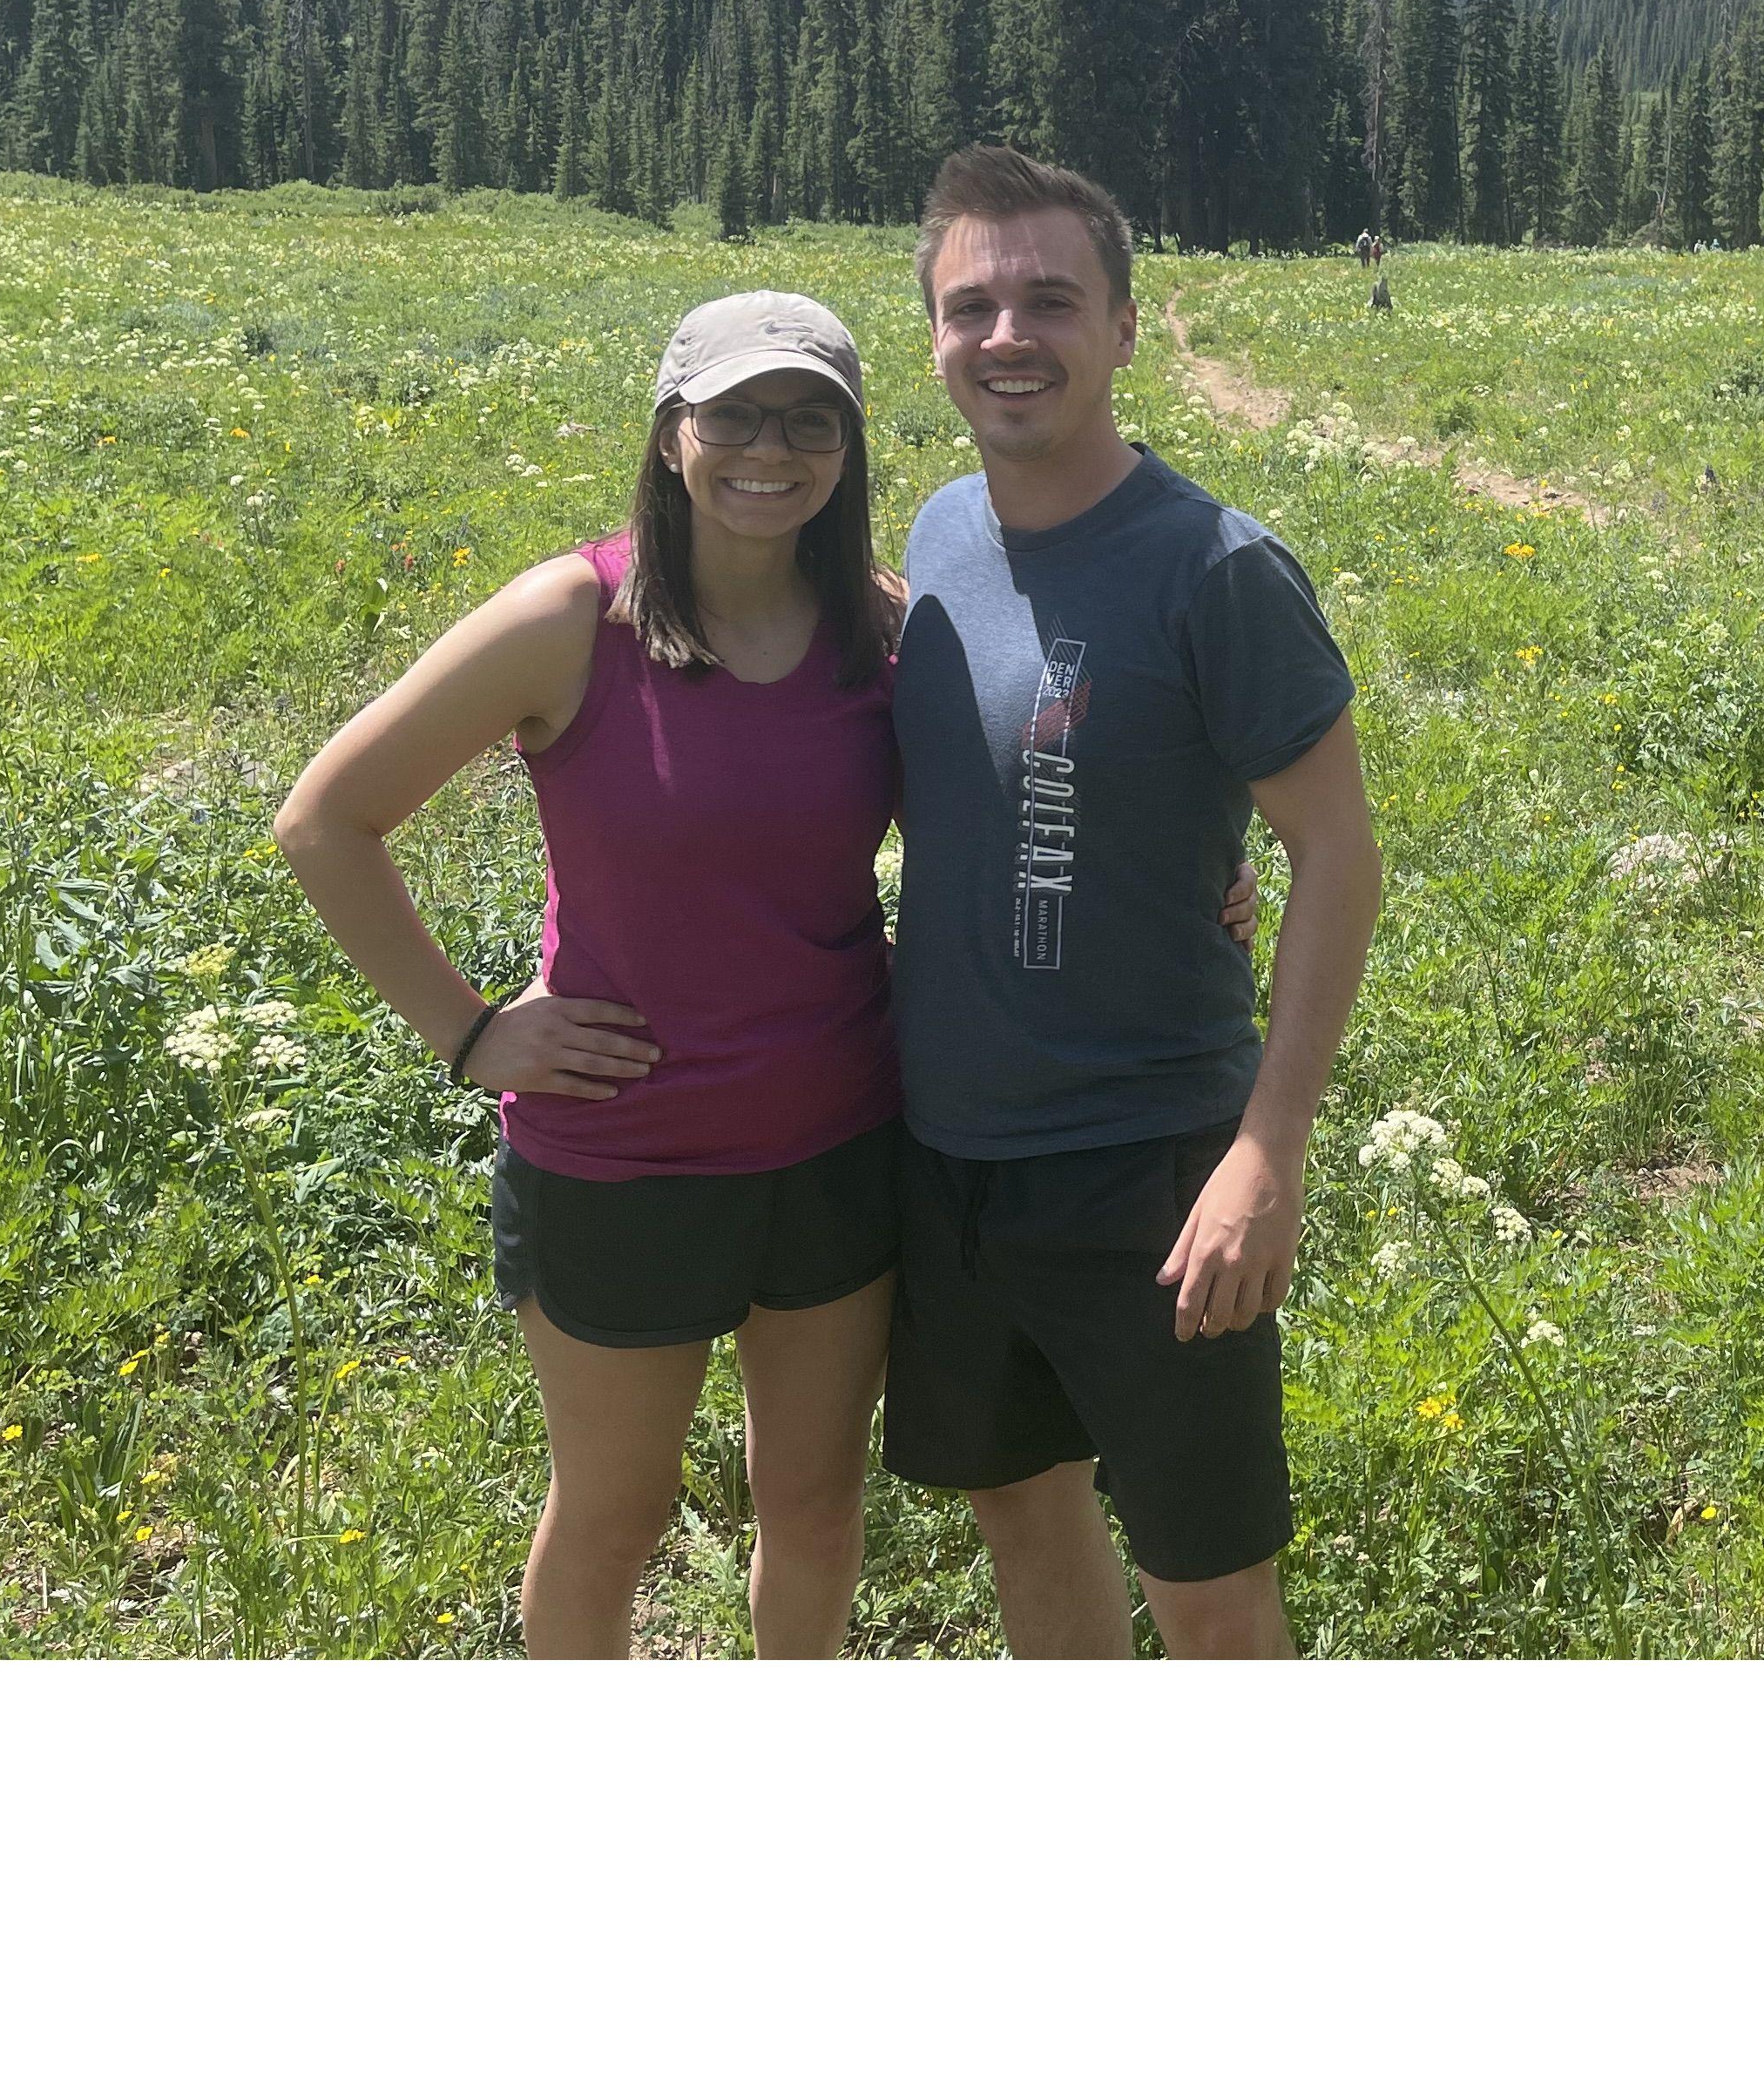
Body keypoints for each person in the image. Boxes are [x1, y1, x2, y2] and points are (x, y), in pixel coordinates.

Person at [274, 288, 1257, 1659]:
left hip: (842, 1148)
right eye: (735, 415)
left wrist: (1197, 873)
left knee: (814, 1509)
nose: (769, 450)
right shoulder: (571, 618)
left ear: (848, 451)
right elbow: (325, 818)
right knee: (613, 1517)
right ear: (673, 431)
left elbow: (1020, 799)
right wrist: (471, 1030)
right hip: (623, 1157)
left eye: (811, 422)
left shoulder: (883, 629)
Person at [883, 144, 1383, 1658]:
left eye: (1051, 299)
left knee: (1208, 1581)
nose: (1008, 336)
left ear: (1124, 328)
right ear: (934, 339)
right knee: (1022, 1513)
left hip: (1152, 1166)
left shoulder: (1215, 571)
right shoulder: (934, 537)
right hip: (948, 1153)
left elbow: (1341, 861)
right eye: (972, 305)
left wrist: (1265, 1157)